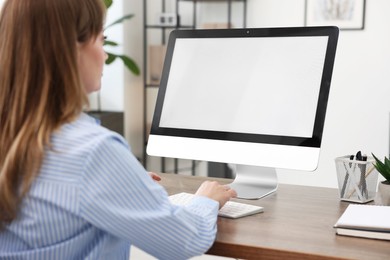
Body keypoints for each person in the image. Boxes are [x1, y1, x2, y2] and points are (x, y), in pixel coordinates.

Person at [0, 0, 237, 259]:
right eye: (101, 40)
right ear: (69, 51)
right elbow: (183, 241)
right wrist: (206, 200)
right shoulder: (93, 151)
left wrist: (120, 183)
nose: (105, 55)